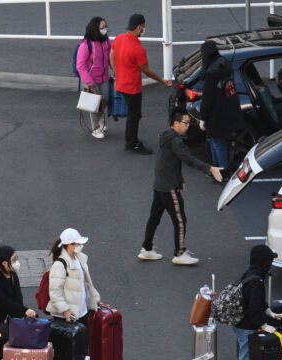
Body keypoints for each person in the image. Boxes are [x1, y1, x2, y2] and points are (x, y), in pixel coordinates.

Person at [138, 109, 224, 265]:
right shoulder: (176, 141)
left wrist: (181, 179)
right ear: (176, 123)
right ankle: (180, 253)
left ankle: (147, 249)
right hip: (169, 186)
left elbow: (172, 161)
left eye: (189, 123)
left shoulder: (166, 135)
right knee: (180, 220)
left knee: (154, 217)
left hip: (160, 183)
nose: (188, 126)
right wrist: (210, 168)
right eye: (186, 123)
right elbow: (188, 159)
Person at [110, 13, 173, 155]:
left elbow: (111, 55)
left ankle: (129, 140)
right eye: (144, 27)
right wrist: (162, 80)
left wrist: (116, 71)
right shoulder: (139, 50)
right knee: (135, 115)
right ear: (139, 27)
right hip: (133, 88)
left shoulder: (119, 38)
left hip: (120, 84)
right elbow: (146, 71)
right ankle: (132, 143)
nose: (144, 29)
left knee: (132, 114)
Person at [231, 245, 282, 360]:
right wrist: (264, 325)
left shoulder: (249, 274)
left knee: (245, 356)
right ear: (263, 262)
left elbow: (256, 303)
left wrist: (270, 312)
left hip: (239, 322)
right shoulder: (257, 282)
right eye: (269, 261)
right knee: (245, 358)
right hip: (246, 326)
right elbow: (254, 309)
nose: (270, 264)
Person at [199, 40, 245, 179]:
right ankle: (218, 169)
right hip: (228, 109)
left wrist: (203, 118)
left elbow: (207, 98)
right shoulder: (224, 63)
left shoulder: (210, 74)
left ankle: (221, 171)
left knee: (216, 142)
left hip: (215, 113)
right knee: (215, 140)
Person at [46, 228, 101, 328]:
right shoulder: (59, 265)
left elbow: (85, 283)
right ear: (70, 245)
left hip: (82, 313)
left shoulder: (79, 259)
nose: (81, 246)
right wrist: (65, 310)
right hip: (68, 316)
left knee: (85, 338)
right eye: (78, 243)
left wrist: (95, 297)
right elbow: (54, 292)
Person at [76, 16, 112, 139]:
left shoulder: (106, 40)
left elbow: (110, 55)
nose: (105, 29)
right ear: (95, 29)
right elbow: (80, 66)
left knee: (105, 101)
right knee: (94, 105)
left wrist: (115, 68)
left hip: (104, 77)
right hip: (91, 80)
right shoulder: (85, 45)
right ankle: (95, 129)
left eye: (105, 26)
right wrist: (89, 82)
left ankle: (100, 121)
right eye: (102, 27)